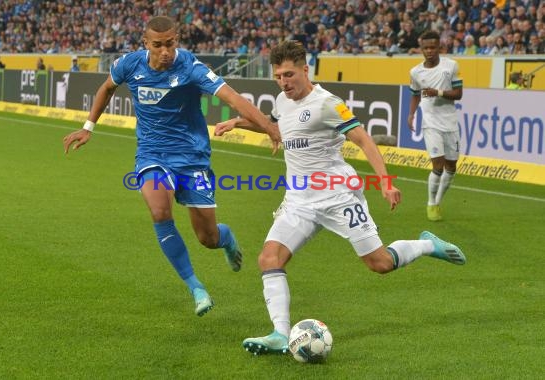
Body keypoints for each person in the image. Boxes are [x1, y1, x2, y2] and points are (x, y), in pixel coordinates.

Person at [214, 40, 467, 355]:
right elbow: (275, 126)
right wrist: (237, 122)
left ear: (306, 70)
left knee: (380, 263)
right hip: (299, 200)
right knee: (269, 259)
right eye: (278, 76)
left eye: (289, 74)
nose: (283, 82)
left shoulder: (328, 104)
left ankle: (428, 244)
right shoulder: (282, 100)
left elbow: (364, 141)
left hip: (339, 196)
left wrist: (386, 183)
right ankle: (280, 334)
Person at [63, 16, 280, 317]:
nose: (164, 51)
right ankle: (196, 288)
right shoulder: (130, 65)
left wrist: (269, 126)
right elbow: (106, 88)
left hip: (192, 158)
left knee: (207, 238)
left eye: (170, 44)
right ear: (146, 43)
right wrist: (88, 127)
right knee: (159, 210)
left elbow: (233, 99)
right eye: (157, 45)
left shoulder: (192, 68)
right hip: (152, 153)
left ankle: (225, 238)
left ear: (177, 40)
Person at [407, 30, 463, 222]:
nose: (429, 51)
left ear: (439, 47)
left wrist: (437, 92)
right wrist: (411, 114)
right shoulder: (415, 72)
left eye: (433, 47)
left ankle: (438, 201)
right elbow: (415, 94)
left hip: (450, 122)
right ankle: (431, 203)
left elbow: (458, 94)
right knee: (437, 164)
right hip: (430, 122)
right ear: (421, 49)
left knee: (451, 167)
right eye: (426, 48)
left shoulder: (451, 66)